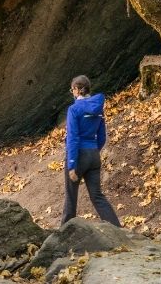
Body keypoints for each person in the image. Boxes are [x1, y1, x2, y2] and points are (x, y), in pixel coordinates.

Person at [61, 75, 121, 227]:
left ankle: (63, 236)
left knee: (71, 198)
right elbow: (101, 136)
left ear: (77, 89)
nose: (72, 93)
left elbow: (73, 138)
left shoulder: (74, 109)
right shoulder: (98, 107)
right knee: (97, 196)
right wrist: (94, 151)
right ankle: (118, 231)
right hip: (93, 155)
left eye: (72, 90)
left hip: (78, 155)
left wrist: (72, 164)